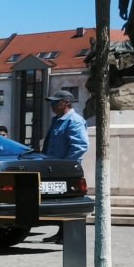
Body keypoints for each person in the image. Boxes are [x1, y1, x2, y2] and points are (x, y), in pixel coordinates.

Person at [41, 92, 89, 242]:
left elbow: (80, 145)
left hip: (66, 169)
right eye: (51, 102)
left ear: (67, 102)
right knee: (58, 200)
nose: (52, 105)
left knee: (67, 201)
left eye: (56, 102)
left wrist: (66, 165)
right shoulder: (57, 120)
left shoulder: (74, 120)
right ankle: (61, 233)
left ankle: (67, 235)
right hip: (53, 168)